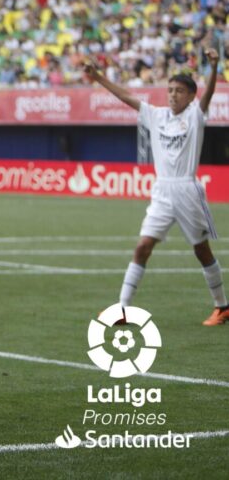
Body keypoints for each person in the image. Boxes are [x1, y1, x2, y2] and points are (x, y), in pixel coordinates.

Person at [85, 55, 228, 326]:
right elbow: (126, 97)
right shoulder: (156, 115)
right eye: (170, 90)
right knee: (143, 246)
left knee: (202, 251)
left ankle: (222, 306)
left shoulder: (195, 116)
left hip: (187, 190)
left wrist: (213, 67)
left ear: (190, 96)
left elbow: (208, 94)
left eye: (179, 91)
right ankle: (123, 309)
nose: (173, 95)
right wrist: (98, 77)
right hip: (162, 191)